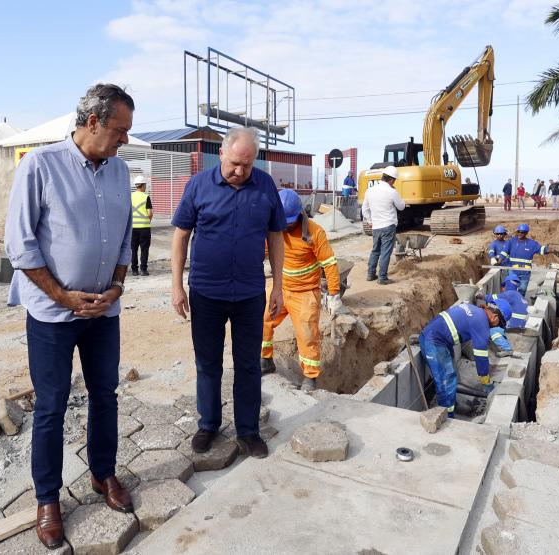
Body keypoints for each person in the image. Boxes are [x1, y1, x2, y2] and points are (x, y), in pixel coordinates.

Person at [4, 83, 136, 549]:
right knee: (52, 406)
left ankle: (103, 474)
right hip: (51, 314)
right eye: (119, 131)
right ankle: (47, 499)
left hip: (104, 310)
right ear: (93, 121)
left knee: (106, 394)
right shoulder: (40, 166)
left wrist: (118, 285)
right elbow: (19, 244)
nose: (124, 141)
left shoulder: (120, 172)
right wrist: (61, 295)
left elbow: (124, 239)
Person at [171, 126, 286, 460]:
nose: (239, 171)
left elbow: (276, 236)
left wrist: (277, 284)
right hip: (206, 292)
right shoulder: (198, 186)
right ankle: (208, 425)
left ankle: (248, 431)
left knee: (249, 364)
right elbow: (180, 237)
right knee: (208, 363)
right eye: (235, 163)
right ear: (221, 154)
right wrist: (177, 285)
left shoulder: (265, 186)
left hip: (250, 293)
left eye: (247, 166)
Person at [261, 189, 343, 392]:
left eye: (289, 221)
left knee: (307, 335)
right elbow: (261, 252)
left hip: (305, 293)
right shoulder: (273, 229)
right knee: (262, 322)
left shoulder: (315, 232)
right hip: (280, 289)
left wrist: (334, 294)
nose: (286, 225)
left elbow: (330, 263)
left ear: (300, 214)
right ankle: (265, 360)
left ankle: (309, 377)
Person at [418, 301, 509, 417]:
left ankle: (451, 405)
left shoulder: (475, 311)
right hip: (434, 342)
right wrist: (486, 381)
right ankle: (447, 416)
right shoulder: (482, 324)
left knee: (449, 377)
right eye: (499, 324)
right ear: (495, 316)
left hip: (436, 337)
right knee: (446, 380)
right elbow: (481, 356)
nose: (496, 326)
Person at [361, 166, 404, 285]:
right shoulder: (392, 191)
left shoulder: (370, 191)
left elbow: (364, 209)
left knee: (375, 250)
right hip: (388, 226)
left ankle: (370, 274)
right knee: (385, 252)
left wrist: (369, 221)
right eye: (394, 180)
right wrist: (398, 195)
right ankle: (382, 278)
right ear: (391, 180)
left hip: (376, 227)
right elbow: (401, 206)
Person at [505, 223, 559, 295]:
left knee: (522, 290)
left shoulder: (532, 244)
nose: (520, 234)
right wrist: (498, 261)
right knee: (511, 290)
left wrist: (553, 250)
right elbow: (504, 252)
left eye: (522, 232)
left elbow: (542, 249)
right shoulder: (512, 241)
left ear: (526, 233)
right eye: (519, 231)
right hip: (513, 270)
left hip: (525, 272)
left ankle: (520, 304)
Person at [130, 175, 153, 276]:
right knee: (144, 249)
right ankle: (143, 269)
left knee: (133, 249)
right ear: (143, 185)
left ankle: (134, 270)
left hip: (132, 228)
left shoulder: (130, 196)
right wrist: (146, 220)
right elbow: (150, 213)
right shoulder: (146, 197)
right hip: (144, 228)